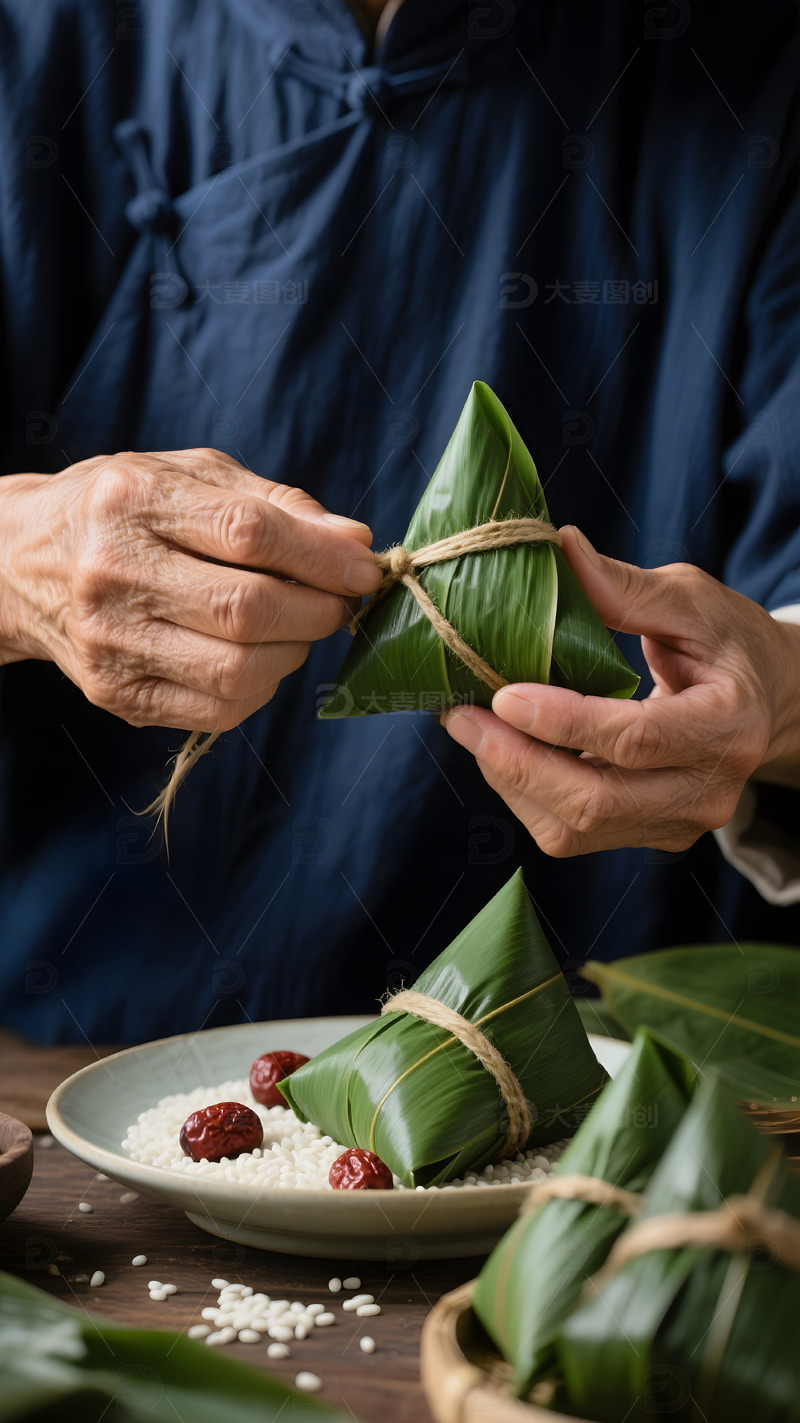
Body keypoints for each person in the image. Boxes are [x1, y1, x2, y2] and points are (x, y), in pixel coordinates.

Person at [2, 0, 800, 1046]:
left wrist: (772, 703)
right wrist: (20, 560)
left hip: (610, 1092)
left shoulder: (761, 67)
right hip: (70, 1069)